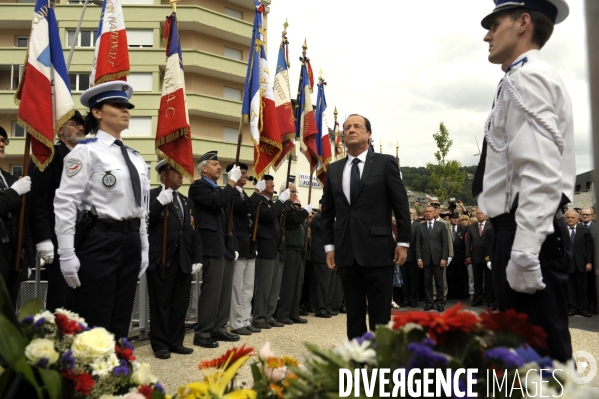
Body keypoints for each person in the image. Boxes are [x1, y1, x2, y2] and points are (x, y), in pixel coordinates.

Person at [473, 0, 574, 362]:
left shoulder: (528, 77)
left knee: (540, 359)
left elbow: (542, 170)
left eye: (494, 23)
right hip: (514, 230)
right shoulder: (518, 76)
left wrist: (526, 249)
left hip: (525, 231)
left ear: (523, 22)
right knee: (522, 359)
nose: (487, 34)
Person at [54, 81, 150, 339]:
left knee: (121, 321)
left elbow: (141, 207)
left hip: (129, 240)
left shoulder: (135, 157)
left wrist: (143, 246)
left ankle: (118, 374)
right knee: (94, 320)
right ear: (97, 112)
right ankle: (89, 377)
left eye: (127, 106)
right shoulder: (86, 152)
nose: (126, 110)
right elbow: (65, 203)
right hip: (100, 240)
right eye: (118, 106)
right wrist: (66, 253)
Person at [321, 114, 410, 339]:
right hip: (346, 252)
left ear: (368, 134)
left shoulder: (385, 162)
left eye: (357, 126)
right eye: (347, 127)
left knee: (380, 314)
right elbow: (328, 213)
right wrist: (329, 247)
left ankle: (381, 363)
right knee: (354, 312)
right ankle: (358, 362)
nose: (351, 130)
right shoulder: (333, 170)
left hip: (378, 251)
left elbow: (401, 205)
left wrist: (403, 242)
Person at [27, 111, 87, 312]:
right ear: (60, 129)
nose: (81, 128)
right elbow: (38, 201)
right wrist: (43, 238)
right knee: (61, 300)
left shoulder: (89, 157)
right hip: (59, 237)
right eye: (75, 123)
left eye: (82, 125)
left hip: (89, 237)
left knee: (86, 299)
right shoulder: (49, 156)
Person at [147, 160, 202, 359]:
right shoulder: (151, 196)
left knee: (180, 304)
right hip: (161, 259)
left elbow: (193, 231)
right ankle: (160, 344)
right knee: (160, 303)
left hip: (183, 260)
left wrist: (197, 257)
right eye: (176, 172)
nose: (181, 176)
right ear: (163, 175)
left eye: (181, 173)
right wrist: (159, 202)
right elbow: (145, 222)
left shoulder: (186, 201)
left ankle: (176, 341)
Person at [188, 151, 244, 348]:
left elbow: (230, 221)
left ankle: (219, 328)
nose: (219, 167)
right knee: (211, 291)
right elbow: (216, 202)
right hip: (211, 246)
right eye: (214, 164)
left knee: (224, 291)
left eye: (219, 164)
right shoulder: (198, 187)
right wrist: (232, 184)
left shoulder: (220, 189)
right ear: (203, 169)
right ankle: (202, 332)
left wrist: (234, 245)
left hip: (225, 245)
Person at [251, 175, 290, 330]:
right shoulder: (259, 201)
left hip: (277, 249)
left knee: (274, 286)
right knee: (264, 285)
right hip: (265, 248)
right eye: (268, 182)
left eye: (273, 182)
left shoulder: (271, 203)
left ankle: (269, 315)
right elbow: (268, 216)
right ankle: (259, 316)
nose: (272, 184)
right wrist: (281, 201)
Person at [0, 127, 33, 306]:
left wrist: (25, 259)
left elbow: (23, 222)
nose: (2, 144)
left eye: (4, 140)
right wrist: (14, 193)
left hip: (11, 262)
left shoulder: (10, 180)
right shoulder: (14, 187)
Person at [227, 163, 261, 336]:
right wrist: (257, 194)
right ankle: (236, 322)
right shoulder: (231, 193)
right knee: (237, 287)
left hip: (249, 246)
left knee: (248, 287)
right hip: (239, 246)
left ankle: (246, 319)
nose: (245, 175)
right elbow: (244, 209)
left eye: (246, 173)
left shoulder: (243, 193)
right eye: (241, 173)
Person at [274, 183, 312, 325]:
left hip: (299, 249)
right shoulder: (285, 207)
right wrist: (304, 212)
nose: (295, 194)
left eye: (296, 192)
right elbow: (291, 221)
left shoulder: (293, 208)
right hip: (289, 248)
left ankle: (293, 312)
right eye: (292, 191)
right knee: (289, 283)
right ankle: (283, 313)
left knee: (297, 283)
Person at [415, 205, 449, 312]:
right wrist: (419, 259)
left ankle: (440, 303)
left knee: (439, 282)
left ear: (434, 213)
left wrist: (444, 258)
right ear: (424, 213)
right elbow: (418, 244)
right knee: (427, 283)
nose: (428, 213)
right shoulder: (420, 226)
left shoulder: (441, 225)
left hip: (438, 258)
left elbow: (445, 243)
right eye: (427, 211)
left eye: (430, 211)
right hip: (425, 259)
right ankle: (429, 303)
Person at [564, 210, 593, 317]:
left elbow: (589, 247)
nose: (570, 219)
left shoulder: (584, 229)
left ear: (577, 218)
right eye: (568, 217)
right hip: (567, 264)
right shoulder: (562, 231)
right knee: (570, 288)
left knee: (583, 288)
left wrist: (589, 262)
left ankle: (584, 309)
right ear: (565, 219)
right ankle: (572, 308)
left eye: (572, 217)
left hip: (582, 264)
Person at [465, 210, 495, 309]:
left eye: (481, 213)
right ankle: (478, 299)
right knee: (477, 279)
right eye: (478, 213)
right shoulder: (471, 227)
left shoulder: (491, 225)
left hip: (488, 257)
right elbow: (468, 242)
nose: (480, 215)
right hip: (475, 256)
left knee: (488, 279)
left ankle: (490, 300)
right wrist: (468, 255)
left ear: (486, 215)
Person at [447, 213, 467, 300]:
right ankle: (451, 293)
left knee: (460, 275)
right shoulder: (446, 229)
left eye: (457, 218)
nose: (456, 220)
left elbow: (465, 243)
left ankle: (460, 293)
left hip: (460, 255)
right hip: (449, 256)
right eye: (454, 218)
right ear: (450, 219)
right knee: (450, 275)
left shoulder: (463, 229)